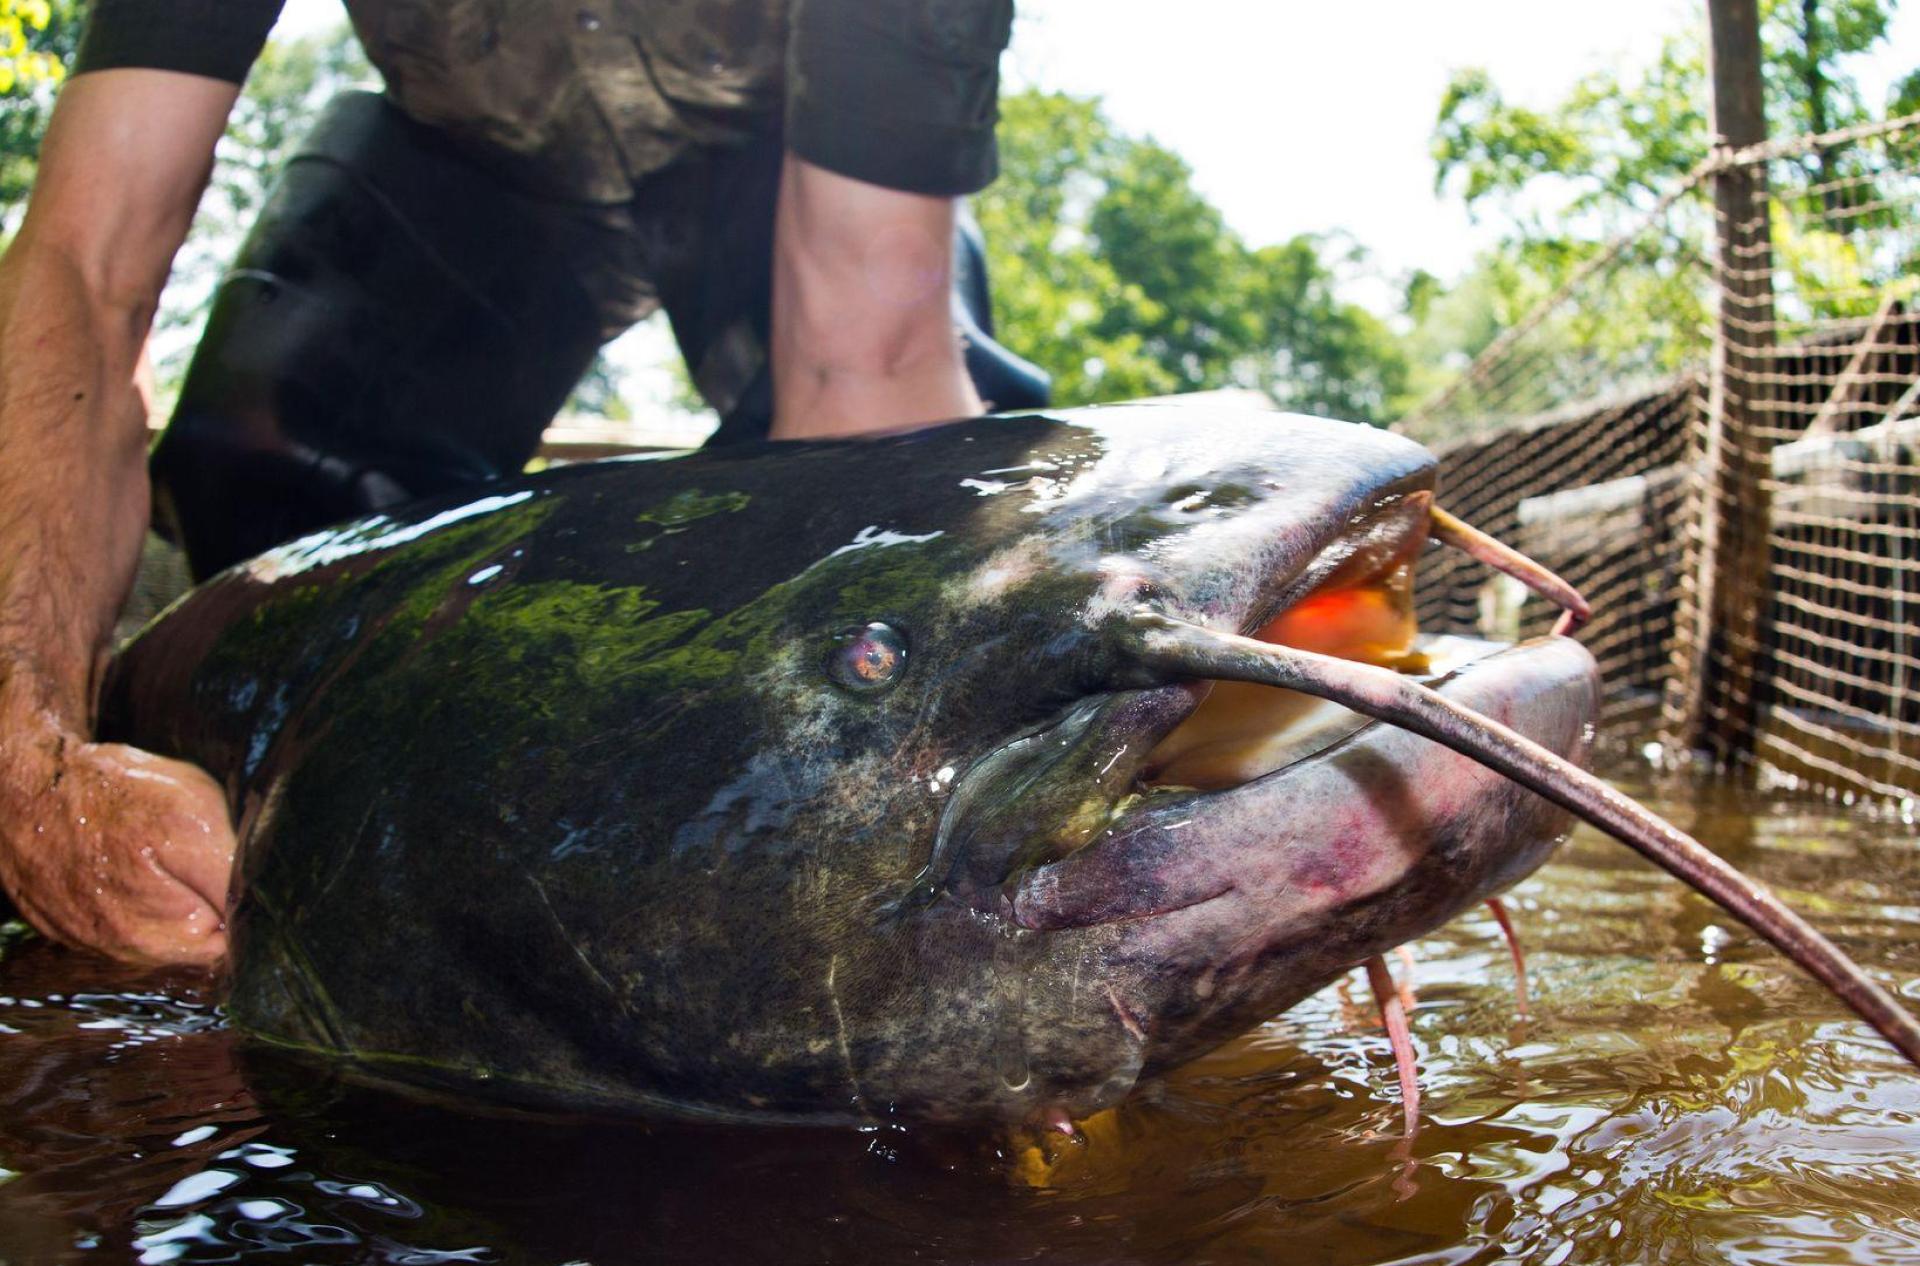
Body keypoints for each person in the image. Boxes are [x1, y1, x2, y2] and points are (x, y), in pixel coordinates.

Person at [0, 0, 1043, 966]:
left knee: (907, 511)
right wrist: (24, 773)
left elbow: (858, 367)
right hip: (465, 172)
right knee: (255, 481)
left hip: (791, 178)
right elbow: (85, 268)